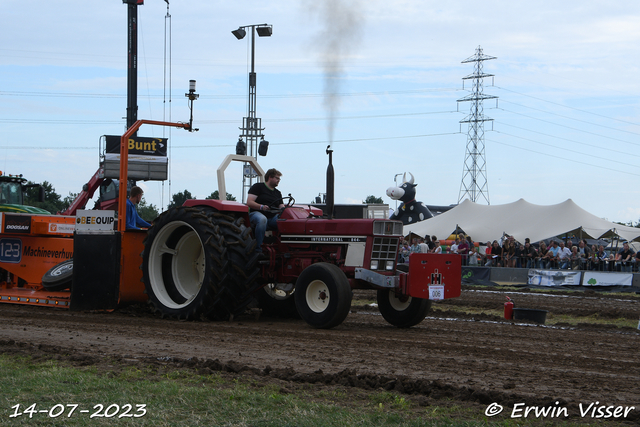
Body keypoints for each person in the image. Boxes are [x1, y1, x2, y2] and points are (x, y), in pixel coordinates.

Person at [246, 168, 284, 254]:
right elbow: (249, 202)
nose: (279, 180)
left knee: (284, 221)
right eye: (277, 178)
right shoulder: (258, 187)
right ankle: (258, 248)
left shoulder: (277, 193)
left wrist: (286, 211)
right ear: (270, 177)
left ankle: (281, 247)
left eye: (279, 179)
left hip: (272, 217)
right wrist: (261, 207)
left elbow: (281, 206)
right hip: (256, 213)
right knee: (262, 219)